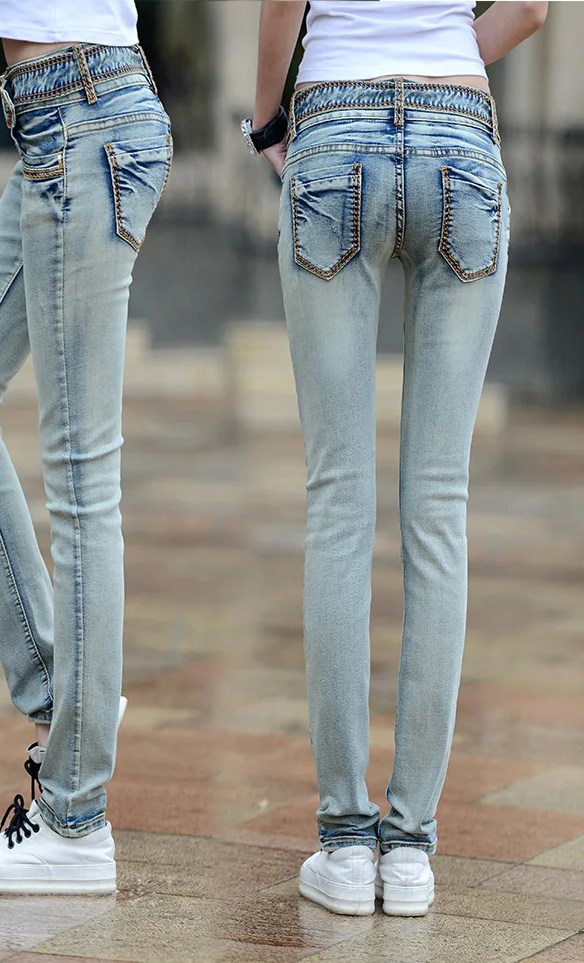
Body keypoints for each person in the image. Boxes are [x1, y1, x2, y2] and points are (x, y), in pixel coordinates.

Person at [246, 0, 547, 917]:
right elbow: (531, 8)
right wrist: (444, 54)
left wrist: (266, 118)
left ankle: (345, 845)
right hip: (460, 130)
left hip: (335, 123)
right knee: (439, 507)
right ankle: (409, 850)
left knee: (339, 502)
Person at [0, 0, 171, 894]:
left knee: (82, 482)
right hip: (59, 121)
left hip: (84, 117)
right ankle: (71, 700)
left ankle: (75, 820)